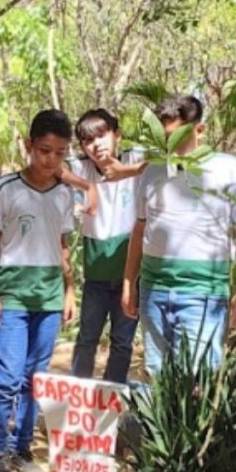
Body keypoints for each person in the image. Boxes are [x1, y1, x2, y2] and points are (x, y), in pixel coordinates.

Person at [122, 94, 236, 375]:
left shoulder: (229, 170)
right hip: (153, 289)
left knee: (198, 377)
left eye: (177, 136)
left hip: (203, 292)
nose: (170, 145)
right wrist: (129, 282)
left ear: (200, 129)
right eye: (164, 137)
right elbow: (140, 229)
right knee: (157, 372)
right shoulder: (152, 171)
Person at [0, 110, 78, 472]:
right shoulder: (6, 188)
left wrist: (69, 290)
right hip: (13, 294)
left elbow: (63, 243)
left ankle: (22, 447)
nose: (50, 159)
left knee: (35, 377)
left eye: (59, 152)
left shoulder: (64, 193)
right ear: (29, 146)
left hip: (49, 297)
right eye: (44, 150)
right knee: (7, 376)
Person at [68, 109, 145, 384]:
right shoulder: (81, 167)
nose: (96, 145)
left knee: (122, 341)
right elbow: (54, 168)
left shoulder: (136, 158)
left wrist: (129, 171)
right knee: (87, 337)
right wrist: (86, 188)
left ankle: (110, 400)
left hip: (130, 274)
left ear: (117, 135)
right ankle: (77, 399)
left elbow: (170, 160)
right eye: (88, 141)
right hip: (96, 274)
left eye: (102, 135)